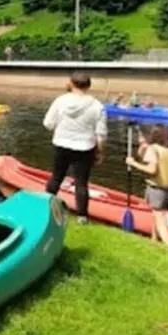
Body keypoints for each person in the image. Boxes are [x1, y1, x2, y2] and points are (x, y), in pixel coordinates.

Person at [42, 72, 108, 224]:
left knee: (56, 177)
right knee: (81, 183)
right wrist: (100, 152)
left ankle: (45, 208)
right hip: (85, 148)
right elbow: (101, 135)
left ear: (71, 84)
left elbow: (48, 124)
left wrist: (61, 129)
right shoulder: (97, 106)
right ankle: (82, 217)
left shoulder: (60, 101)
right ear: (89, 86)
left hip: (61, 144)